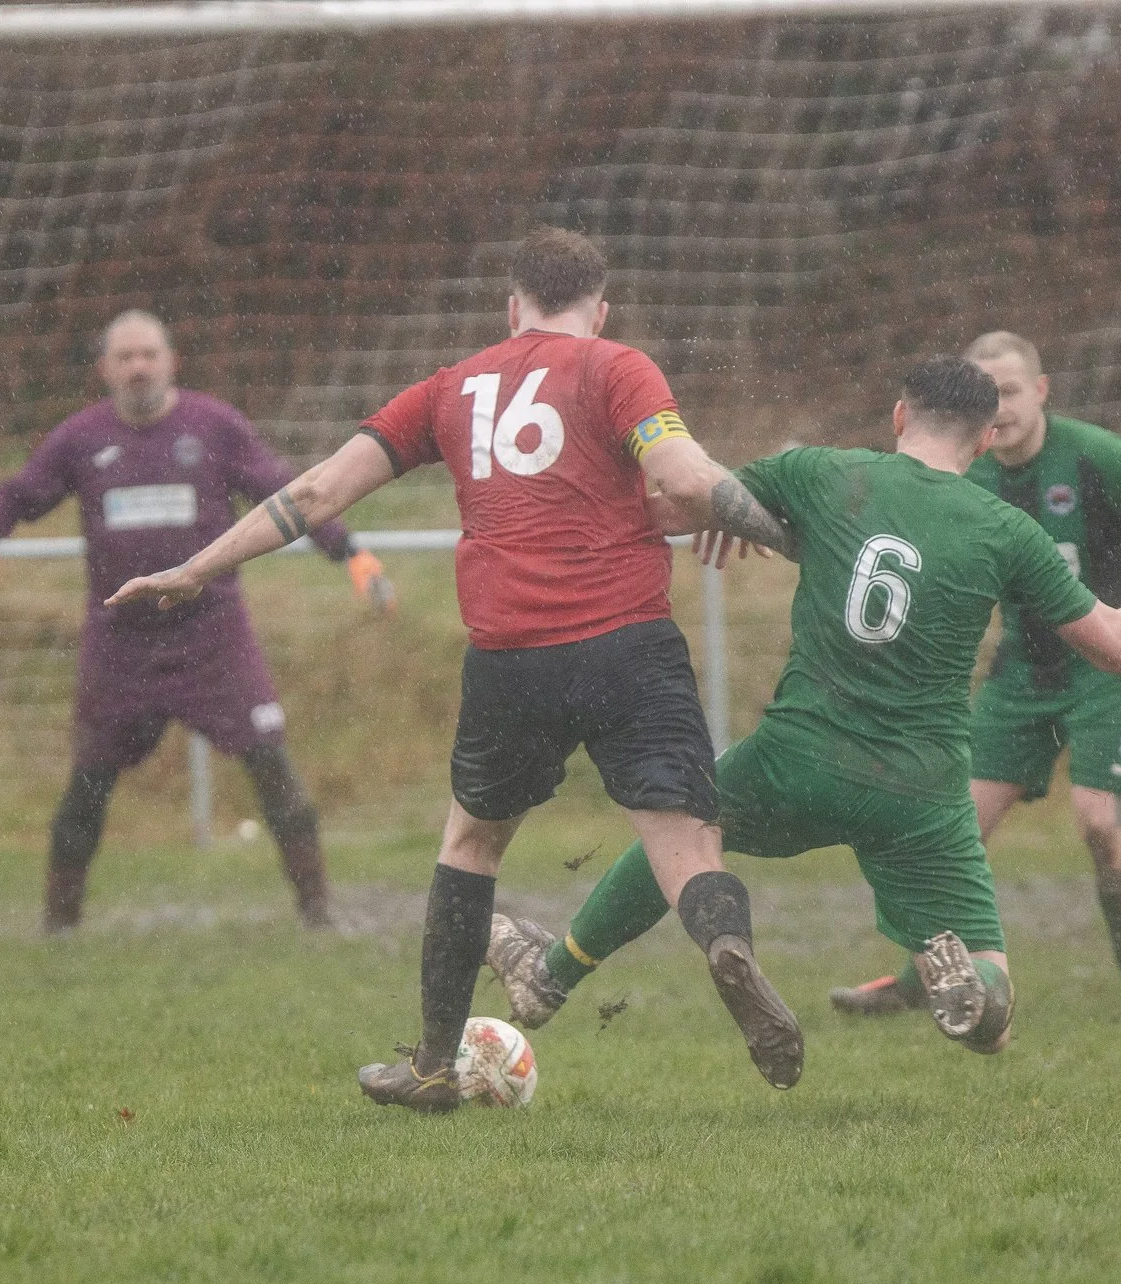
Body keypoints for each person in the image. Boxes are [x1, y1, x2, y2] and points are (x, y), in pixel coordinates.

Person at [110, 227, 806, 1109]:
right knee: (683, 841)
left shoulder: (452, 387)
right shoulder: (618, 368)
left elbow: (318, 491)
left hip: (512, 657)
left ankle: (435, 1065)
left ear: (512, 308)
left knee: (471, 844)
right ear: (602, 308)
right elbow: (685, 474)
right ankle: (725, 949)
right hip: (630, 646)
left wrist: (196, 567)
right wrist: (782, 532)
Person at [483, 357, 1121, 1054]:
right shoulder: (1005, 529)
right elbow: (1118, 646)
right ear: (983, 441)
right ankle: (972, 988)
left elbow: (681, 501)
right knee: (990, 993)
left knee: (679, 834)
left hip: (798, 759)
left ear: (898, 416)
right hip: (921, 791)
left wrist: (666, 520)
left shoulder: (823, 473)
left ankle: (552, 974)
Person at [831, 331, 1121, 1024]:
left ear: (1040, 391)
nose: (1001, 406)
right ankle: (919, 980)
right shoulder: (966, 469)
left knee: (1103, 823)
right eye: (988, 394)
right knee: (956, 828)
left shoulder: (1097, 456)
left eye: (1012, 390)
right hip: (1021, 673)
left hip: (1109, 667)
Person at [0, 310, 390, 932]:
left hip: (212, 632)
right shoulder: (81, 438)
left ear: (171, 361)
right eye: (124, 357)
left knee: (270, 760)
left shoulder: (214, 427)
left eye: (149, 355)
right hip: (119, 640)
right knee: (90, 779)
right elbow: (21, 492)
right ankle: (58, 928)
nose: (138, 368)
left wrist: (348, 550)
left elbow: (285, 492)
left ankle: (319, 918)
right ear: (104, 369)